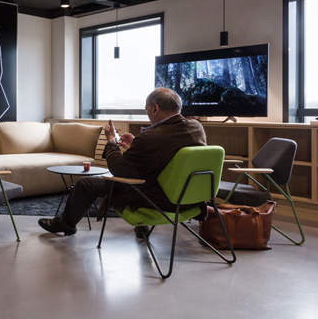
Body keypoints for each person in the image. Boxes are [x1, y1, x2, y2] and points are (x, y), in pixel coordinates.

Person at [38, 87, 206, 236]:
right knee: (143, 176)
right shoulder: (196, 128)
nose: (147, 114)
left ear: (155, 109)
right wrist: (135, 144)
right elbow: (163, 156)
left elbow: (119, 169)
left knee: (85, 184)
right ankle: (142, 228)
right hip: (189, 198)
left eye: (147, 109)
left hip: (157, 198)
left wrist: (111, 142)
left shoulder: (152, 137)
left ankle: (66, 224)